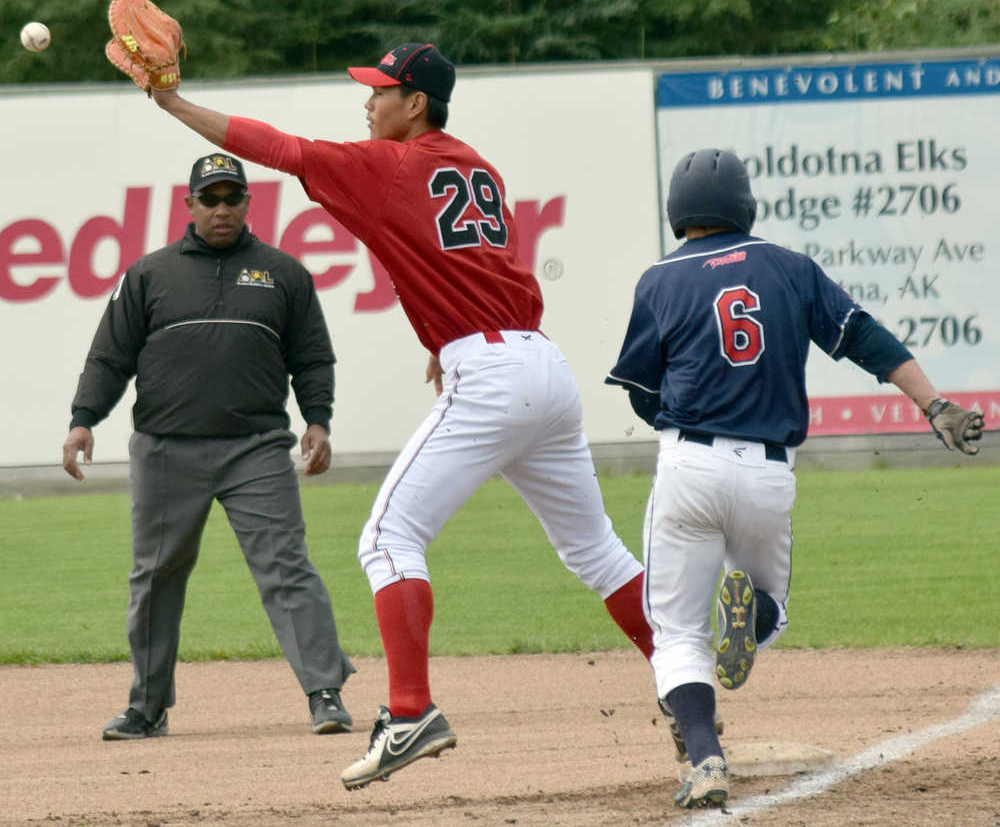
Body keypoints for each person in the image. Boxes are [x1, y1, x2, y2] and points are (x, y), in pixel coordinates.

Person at [146, 43, 655, 788]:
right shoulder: (477, 166)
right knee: (598, 552)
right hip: (542, 365)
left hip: (490, 374)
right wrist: (443, 339)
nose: (368, 103)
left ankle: (411, 712)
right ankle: (685, 670)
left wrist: (173, 104)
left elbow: (277, 149)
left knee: (388, 539)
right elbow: (479, 265)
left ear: (415, 102)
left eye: (380, 91)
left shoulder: (391, 165)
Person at [605, 148, 985, 809]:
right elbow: (863, 337)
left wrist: (671, 407)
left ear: (677, 210)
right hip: (768, 473)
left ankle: (705, 757)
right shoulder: (789, 268)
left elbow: (640, 392)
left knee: (677, 634)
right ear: (745, 206)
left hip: (690, 464)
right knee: (767, 612)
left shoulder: (660, 281)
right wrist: (934, 403)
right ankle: (749, 616)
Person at [62, 152, 356, 741]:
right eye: (210, 199)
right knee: (155, 575)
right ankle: (147, 707)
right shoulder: (150, 274)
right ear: (190, 205)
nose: (221, 209)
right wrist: (83, 419)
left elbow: (312, 358)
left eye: (232, 198)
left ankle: (325, 693)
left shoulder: (284, 274)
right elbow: (109, 355)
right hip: (167, 450)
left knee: (285, 566)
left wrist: (317, 422)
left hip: (257, 448)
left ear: (248, 204)